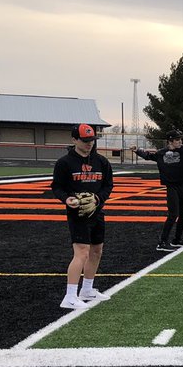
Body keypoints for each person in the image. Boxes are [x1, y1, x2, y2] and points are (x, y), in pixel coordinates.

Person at [51, 123, 114, 308]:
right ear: (74, 140)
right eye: (85, 140)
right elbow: (57, 187)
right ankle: (70, 296)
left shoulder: (102, 162)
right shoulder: (64, 163)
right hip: (77, 213)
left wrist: (97, 199)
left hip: (97, 211)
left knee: (97, 250)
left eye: (91, 140)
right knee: (81, 253)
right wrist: (67, 199)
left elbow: (108, 185)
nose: (89, 144)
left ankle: (87, 289)